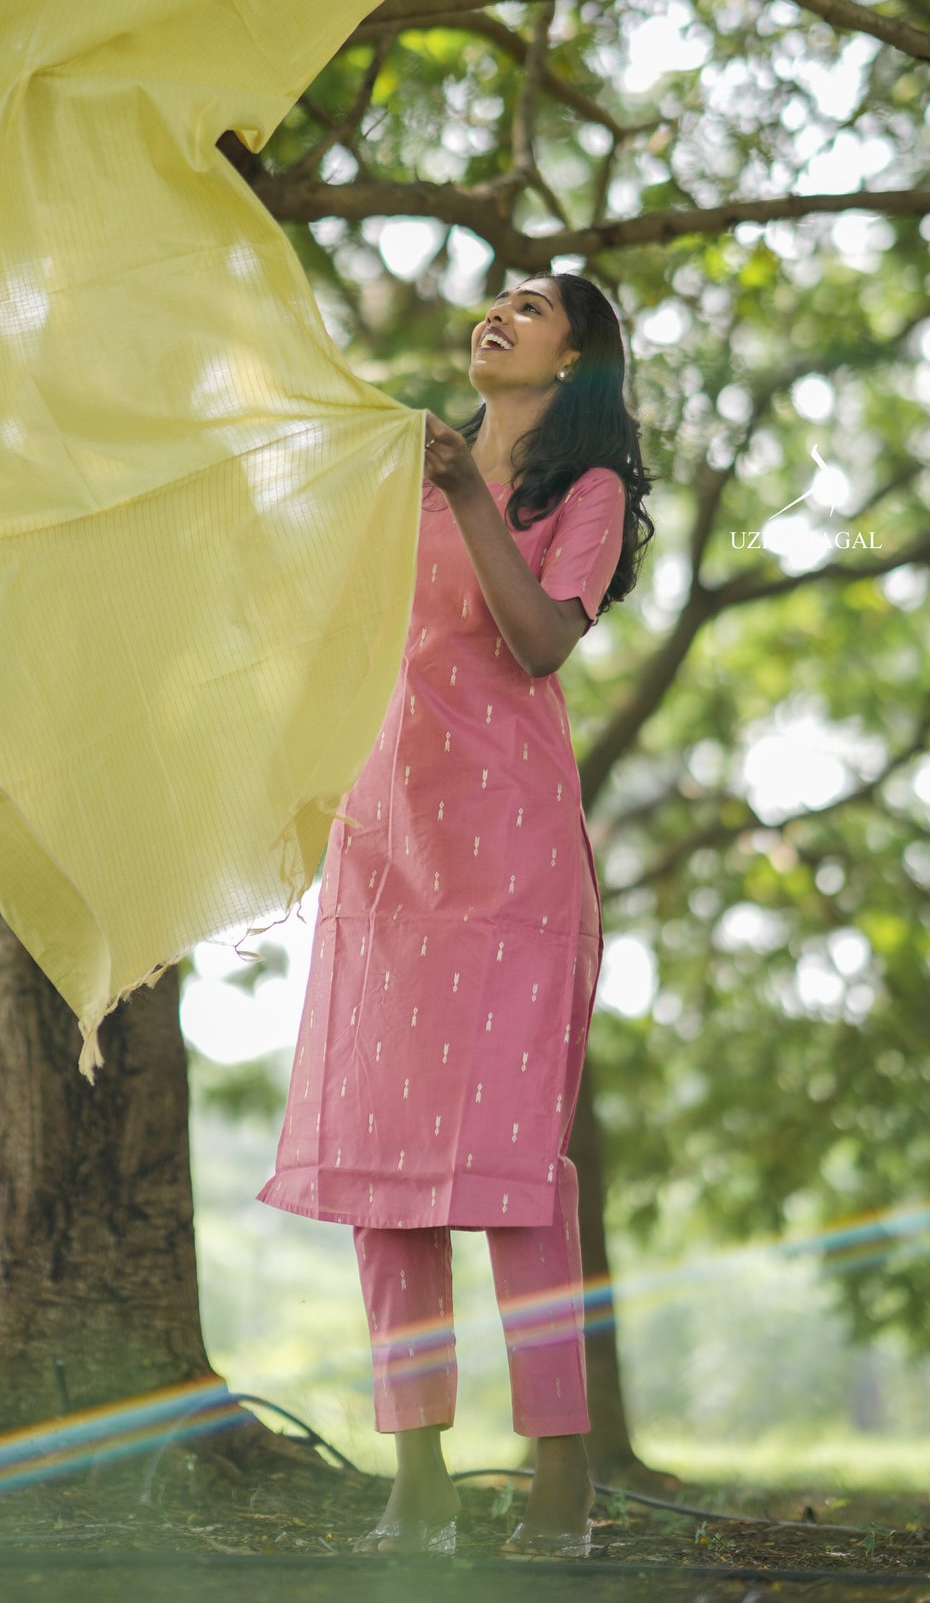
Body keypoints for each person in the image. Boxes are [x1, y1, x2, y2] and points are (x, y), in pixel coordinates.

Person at [258, 269, 654, 1556]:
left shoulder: (582, 496)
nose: (497, 311)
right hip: (385, 845)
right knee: (384, 1177)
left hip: (507, 861)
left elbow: (537, 639)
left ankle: (561, 1483)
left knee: (517, 1178)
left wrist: (467, 492)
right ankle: (416, 1478)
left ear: (576, 359)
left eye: (532, 307)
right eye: (495, 298)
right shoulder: (402, 468)